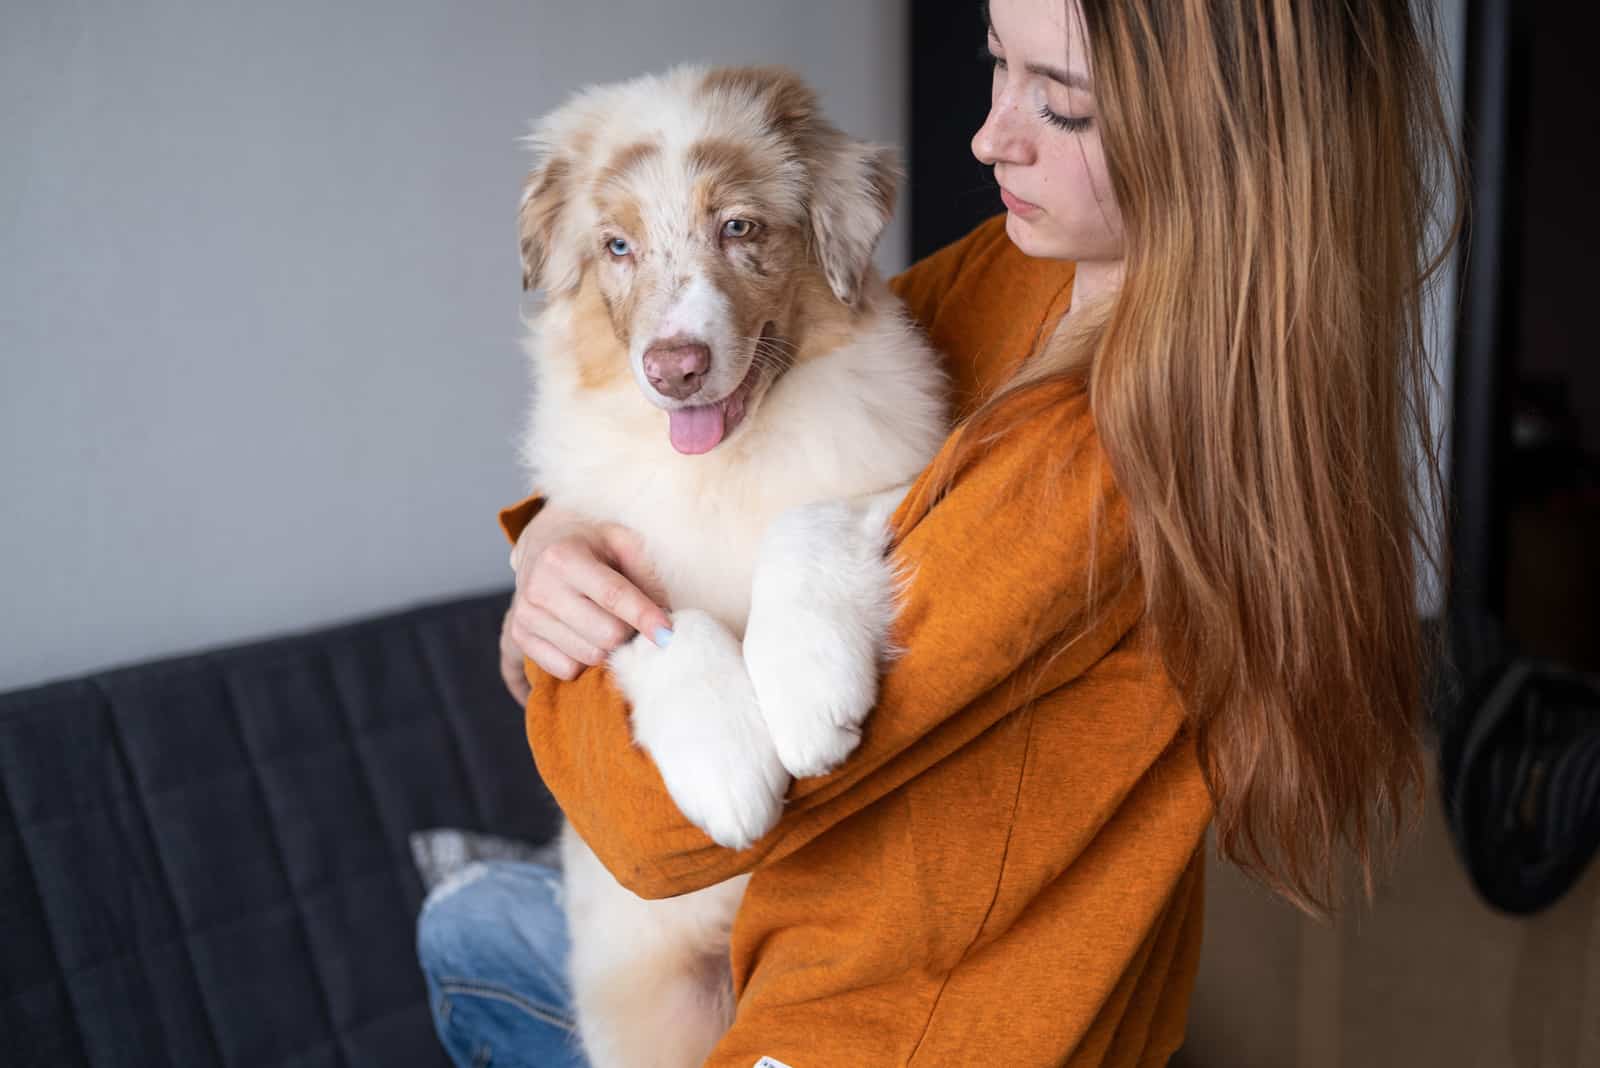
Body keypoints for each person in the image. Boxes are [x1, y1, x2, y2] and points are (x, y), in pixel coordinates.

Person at [418, 0, 1458, 1064]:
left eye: (1058, 105)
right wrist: (550, 534)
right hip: (794, 957)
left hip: (870, 1030)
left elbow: (666, 822)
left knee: (467, 932)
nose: (988, 134)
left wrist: (565, 660)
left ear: (1219, 132)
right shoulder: (1026, 269)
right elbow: (804, 373)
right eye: (997, 65)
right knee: (471, 917)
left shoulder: (1099, 462)